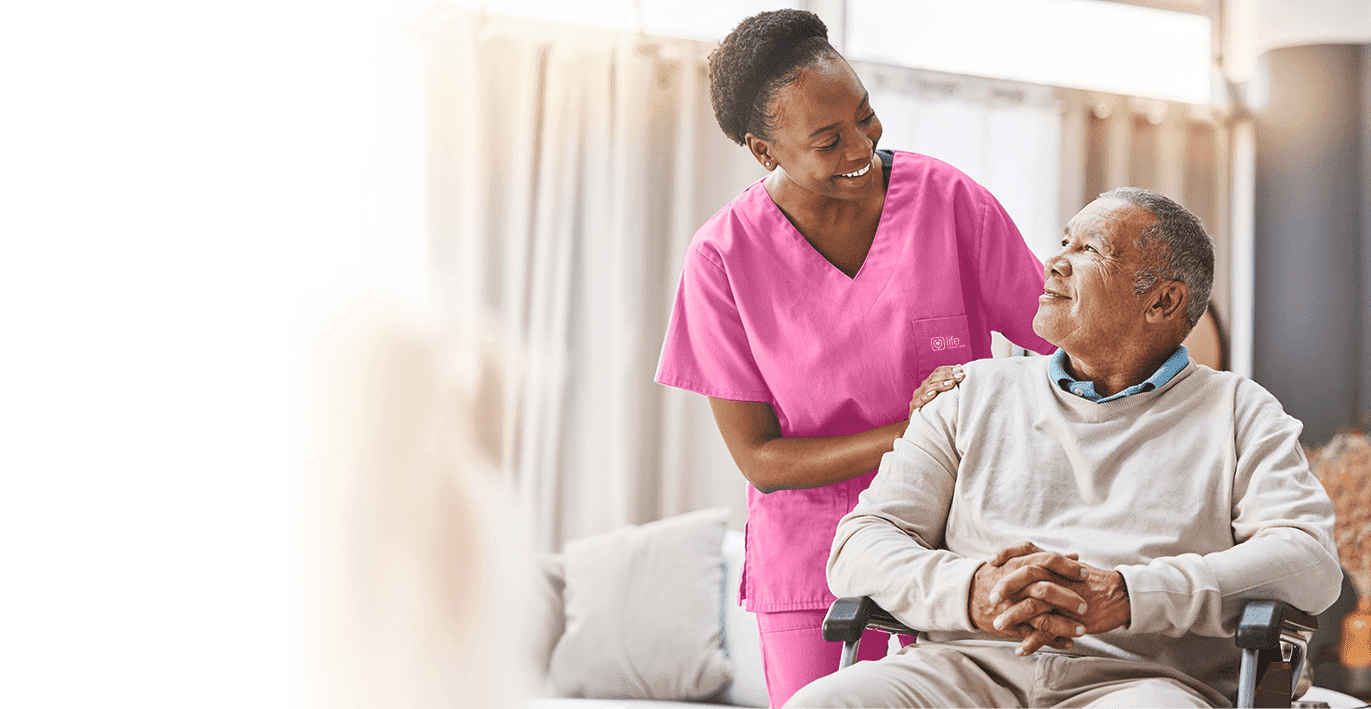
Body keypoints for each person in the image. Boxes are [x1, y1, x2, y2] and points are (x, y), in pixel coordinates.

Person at [784, 187, 1343, 709]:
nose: (1055, 263)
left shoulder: (1240, 411)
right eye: (1064, 243)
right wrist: (971, 588)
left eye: (1091, 249)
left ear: (1162, 301)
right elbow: (859, 544)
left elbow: (1309, 561)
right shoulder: (969, 393)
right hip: (962, 666)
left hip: (1141, 682)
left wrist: (1128, 593)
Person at [653, 9, 1054, 706]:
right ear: (763, 149)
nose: (860, 145)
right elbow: (760, 460)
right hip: (814, 563)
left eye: (866, 116)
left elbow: (1061, 337)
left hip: (959, 546)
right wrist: (913, 431)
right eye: (828, 139)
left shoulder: (947, 201)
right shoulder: (721, 258)